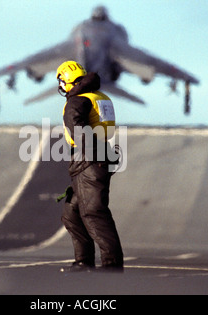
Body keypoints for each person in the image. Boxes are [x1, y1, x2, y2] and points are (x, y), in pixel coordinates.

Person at [56, 60, 124, 272]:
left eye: (61, 82)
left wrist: (92, 159)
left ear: (66, 81)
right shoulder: (100, 97)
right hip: (99, 156)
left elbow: (80, 133)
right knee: (72, 212)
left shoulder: (76, 102)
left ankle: (111, 266)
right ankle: (83, 261)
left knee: (93, 212)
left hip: (89, 160)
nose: (61, 87)